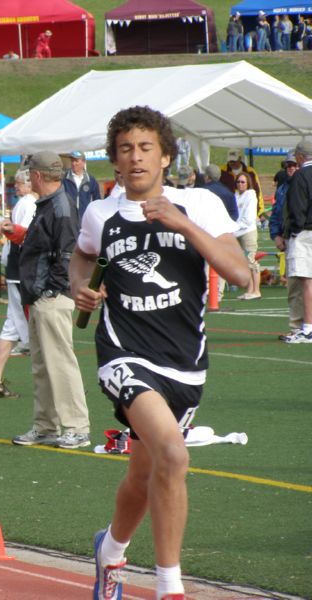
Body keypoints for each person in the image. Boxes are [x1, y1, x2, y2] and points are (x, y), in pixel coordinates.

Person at [69, 106, 249, 600]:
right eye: (125, 149)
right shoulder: (101, 212)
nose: (136, 157)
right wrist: (81, 288)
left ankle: (109, 551)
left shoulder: (199, 204)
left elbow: (241, 274)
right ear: (115, 161)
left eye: (146, 147)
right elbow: (83, 255)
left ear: (166, 156)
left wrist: (181, 223)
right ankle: (171, 587)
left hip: (186, 363)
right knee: (173, 452)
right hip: (124, 353)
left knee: (146, 470)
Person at [8, 151, 90, 450]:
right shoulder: (54, 204)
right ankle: (46, 426)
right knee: (43, 364)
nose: (29, 179)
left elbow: (68, 255)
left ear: (38, 176)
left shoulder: (60, 207)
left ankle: (76, 427)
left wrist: (50, 290)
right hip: (43, 294)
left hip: (51, 296)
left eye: (30, 174)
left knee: (59, 363)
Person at [0, 171, 37, 396]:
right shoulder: (28, 203)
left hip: (17, 270)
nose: (16, 186)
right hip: (23, 271)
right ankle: (57, 386)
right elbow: (22, 236)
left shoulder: (25, 203)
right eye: (15, 183)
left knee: (12, 325)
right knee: (38, 327)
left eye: (19, 183)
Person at [269, 152, 304, 341]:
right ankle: (297, 326)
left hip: (303, 237)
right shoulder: (282, 188)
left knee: (305, 283)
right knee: (294, 286)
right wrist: (275, 235)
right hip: (290, 239)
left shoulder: (305, 184)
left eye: (293, 165)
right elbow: (275, 214)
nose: (290, 168)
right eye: (287, 165)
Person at [281, 139, 312, 343]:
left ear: (300, 156)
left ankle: (308, 328)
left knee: (306, 281)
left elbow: (297, 208)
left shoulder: (301, 175)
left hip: (305, 234)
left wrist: (292, 231)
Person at [233, 174, 261, 300]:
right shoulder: (236, 195)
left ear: (248, 183)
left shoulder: (251, 195)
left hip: (247, 231)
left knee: (251, 261)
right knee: (244, 263)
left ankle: (256, 290)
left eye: (243, 182)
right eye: (238, 182)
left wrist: (235, 227)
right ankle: (249, 290)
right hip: (237, 231)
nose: (240, 184)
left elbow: (248, 218)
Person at [220, 148, 263, 217]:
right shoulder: (222, 171)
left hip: (246, 209)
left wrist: (259, 212)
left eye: (234, 161)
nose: (232, 163)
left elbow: (258, 192)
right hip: (227, 211)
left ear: (240, 159)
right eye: (230, 161)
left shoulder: (250, 172)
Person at [62, 150, 101, 219]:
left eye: (76, 161)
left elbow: (97, 201)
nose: (74, 163)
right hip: (68, 219)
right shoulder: (64, 179)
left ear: (83, 162)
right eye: (72, 161)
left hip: (85, 218)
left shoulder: (91, 180)